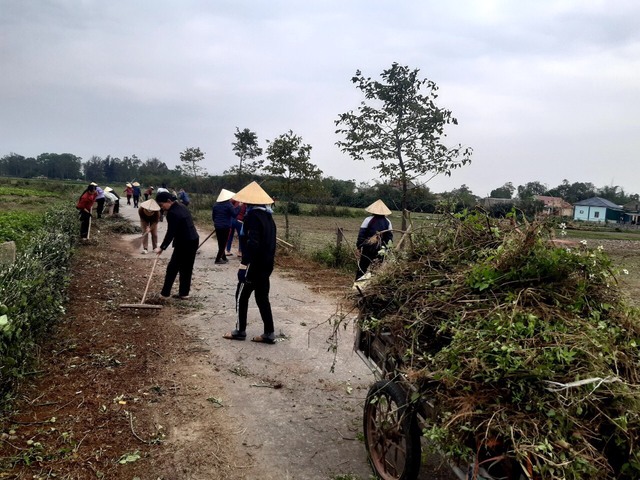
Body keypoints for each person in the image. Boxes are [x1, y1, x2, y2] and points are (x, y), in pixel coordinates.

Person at [223, 181, 277, 344]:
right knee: (262, 298)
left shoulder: (253, 217)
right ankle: (269, 333)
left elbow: (253, 243)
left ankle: (240, 331)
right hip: (266, 264)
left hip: (254, 265)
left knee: (241, 296)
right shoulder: (269, 217)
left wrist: (243, 264)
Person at [154, 191, 199, 300]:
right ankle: (184, 293)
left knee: (172, 268)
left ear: (169, 201)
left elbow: (171, 233)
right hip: (193, 240)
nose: (162, 208)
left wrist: (162, 247)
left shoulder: (172, 213)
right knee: (186, 267)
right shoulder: (182, 206)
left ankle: (164, 294)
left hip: (184, 242)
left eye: (162, 205)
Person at [355, 199, 393, 280]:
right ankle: (374, 284)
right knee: (377, 268)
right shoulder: (388, 222)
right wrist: (388, 249)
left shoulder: (368, 220)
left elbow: (361, 235)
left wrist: (359, 246)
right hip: (381, 249)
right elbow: (389, 238)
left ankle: (358, 283)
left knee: (362, 267)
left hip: (368, 247)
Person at [211, 189, 238, 264]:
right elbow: (234, 214)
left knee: (220, 242)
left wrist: (217, 223)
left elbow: (213, 216)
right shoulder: (228, 205)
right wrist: (239, 207)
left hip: (217, 226)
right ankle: (217, 259)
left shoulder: (215, 205)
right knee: (223, 243)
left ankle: (223, 257)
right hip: (225, 226)